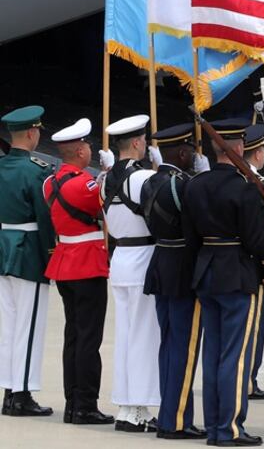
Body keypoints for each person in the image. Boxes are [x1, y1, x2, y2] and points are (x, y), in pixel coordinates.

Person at [181, 119, 264, 447]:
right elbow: (259, 241)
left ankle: (215, 423)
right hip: (237, 276)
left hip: (207, 273)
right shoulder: (245, 188)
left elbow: (191, 238)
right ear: (240, 148)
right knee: (235, 356)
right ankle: (228, 428)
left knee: (214, 354)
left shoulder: (196, 185)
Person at [42, 118, 113, 425]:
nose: (91, 150)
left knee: (73, 335)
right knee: (88, 339)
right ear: (79, 151)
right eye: (87, 146)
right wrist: (107, 176)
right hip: (87, 263)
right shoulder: (84, 184)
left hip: (65, 261)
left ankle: (73, 401)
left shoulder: (50, 182)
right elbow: (105, 207)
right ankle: (85, 404)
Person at [140, 123, 208, 440]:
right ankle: (176, 420)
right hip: (183, 267)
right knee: (184, 345)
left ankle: (170, 414)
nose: (194, 158)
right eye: (191, 153)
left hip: (160, 264)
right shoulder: (184, 185)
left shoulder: (150, 182)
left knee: (168, 344)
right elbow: (199, 228)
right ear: (182, 153)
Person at [102, 114, 160, 432]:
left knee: (126, 335)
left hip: (121, 257)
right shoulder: (142, 179)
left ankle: (128, 406)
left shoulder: (105, 179)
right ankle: (135, 407)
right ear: (138, 143)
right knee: (142, 336)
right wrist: (161, 171)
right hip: (142, 258)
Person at [0, 105, 55, 418]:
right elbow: (45, 220)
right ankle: (22, 395)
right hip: (29, 252)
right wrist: (52, 255)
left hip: (3, 248)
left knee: (9, 326)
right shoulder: (37, 172)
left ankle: (10, 390)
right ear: (32, 134)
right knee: (29, 326)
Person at [243, 124, 264, 401]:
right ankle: (248, 379)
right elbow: (262, 231)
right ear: (258, 152)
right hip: (252, 268)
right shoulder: (254, 185)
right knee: (253, 327)